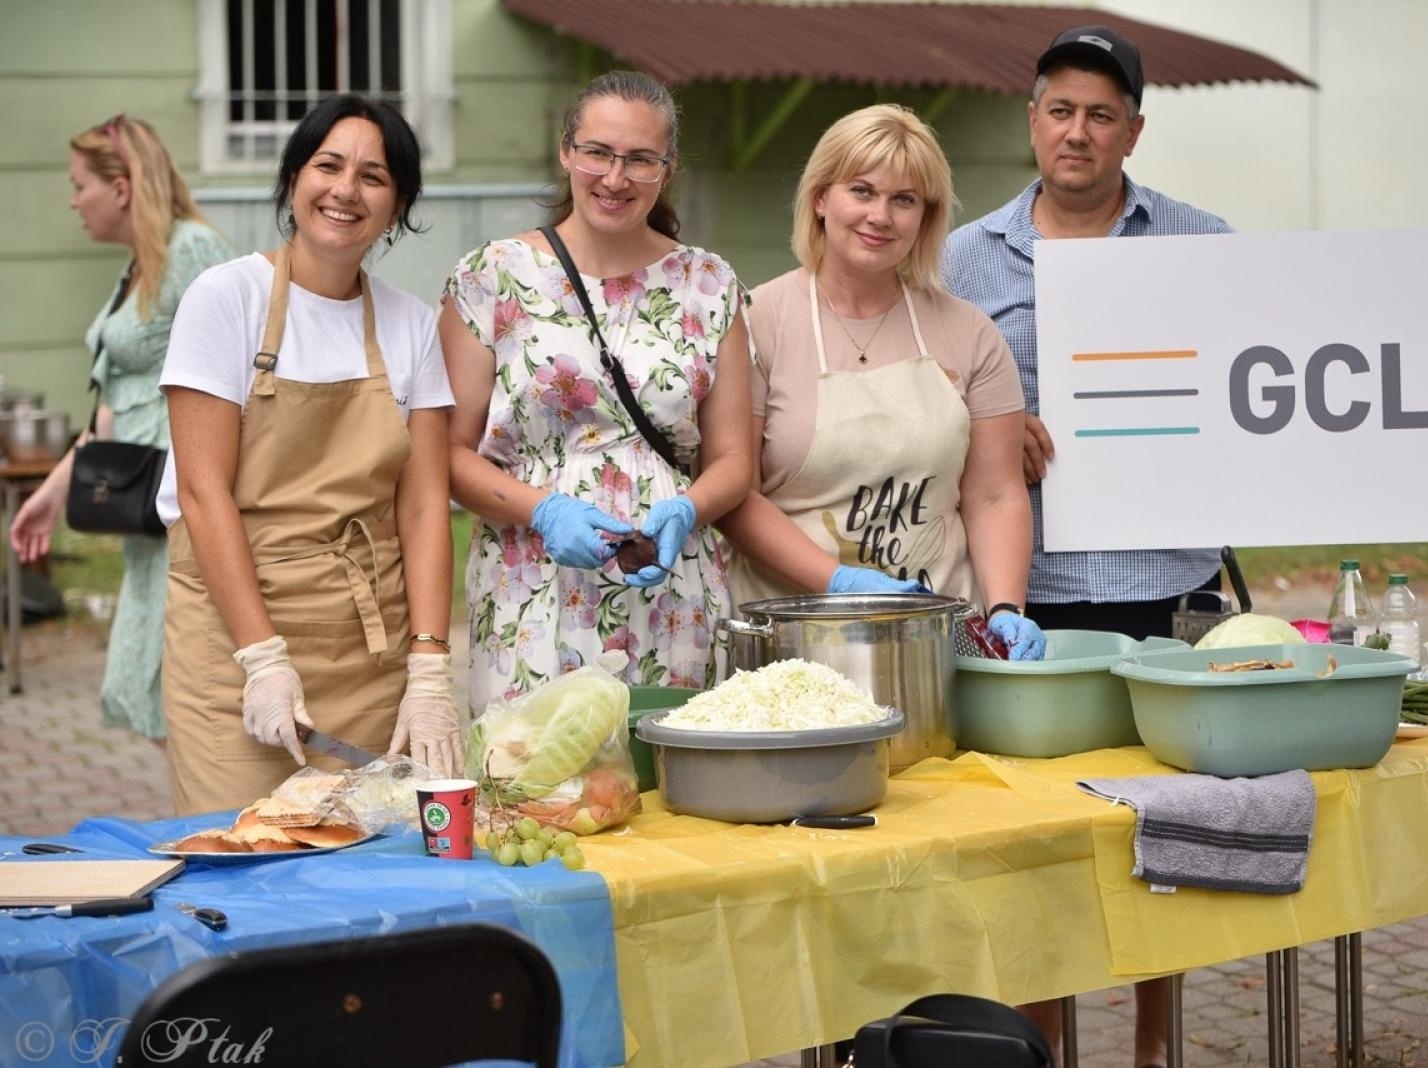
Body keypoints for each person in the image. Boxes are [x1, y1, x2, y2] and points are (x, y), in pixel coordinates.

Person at [944, 24, 1428, 1066]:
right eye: (1061, 110)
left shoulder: (1203, 242)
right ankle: (1038, 1048)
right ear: (1032, 118)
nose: (1079, 133)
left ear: (1133, 130)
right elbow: (935, 398)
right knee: (1038, 846)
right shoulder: (965, 256)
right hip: (1026, 593)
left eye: (1102, 115)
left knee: (1165, 829)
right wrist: (996, 425)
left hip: (1167, 588)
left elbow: (1308, 382)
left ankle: (1154, 1044)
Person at [159, 94, 461, 815]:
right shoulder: (224, 298)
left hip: (367, 647)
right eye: (328, 165)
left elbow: (422, 507)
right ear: (294, 178)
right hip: (233, 637)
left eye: (373, 176)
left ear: (398, 206)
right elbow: (204, 494)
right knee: (240, 857)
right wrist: (262, 659)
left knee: (361, 864)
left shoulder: (412, 325)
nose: (345, 190)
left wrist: (429, 666)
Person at [440, 70, 752, 711]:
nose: (615, 178)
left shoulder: (709, 283)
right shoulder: (492, 276)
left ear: (667, 169)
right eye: (599, 153)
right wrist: (541, 508)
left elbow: (734, 460)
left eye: (640, 159)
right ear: (566, 152)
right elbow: (446, 454)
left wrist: (688, 509)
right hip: (530, 586)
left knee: (672, 791)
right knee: (537, 785)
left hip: (672, 592)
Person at [718, 104, 1044, 660]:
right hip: (792, 638)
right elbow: (734, 496)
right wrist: (840, 583)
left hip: (937, 642)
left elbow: (994, 494)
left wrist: (1007, 609)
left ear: (925, 216)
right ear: (821, 199)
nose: (881, 216)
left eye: (904, 200)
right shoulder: (755, 322)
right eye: (862, 191)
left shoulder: (969, 332)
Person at [9, 115, 230, 745]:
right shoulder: (139, 266)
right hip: (144, 514)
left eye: (81, 184)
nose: (73, 199)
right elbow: (114, 403)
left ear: (123, 187)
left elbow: (240, 378)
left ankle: (224, 828)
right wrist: (52, 495)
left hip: (184, 509)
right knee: (158, 694)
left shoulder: (193, 253)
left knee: (190, 695)